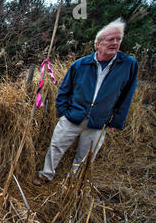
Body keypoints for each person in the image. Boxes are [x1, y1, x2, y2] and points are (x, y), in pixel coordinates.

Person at [33, 18, 139, 186]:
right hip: (73, 116)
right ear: (98, 44)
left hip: (98, 121)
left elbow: (127, 94)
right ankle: (46, 175)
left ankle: (72, 183)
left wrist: (116, 120)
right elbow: (64, 90)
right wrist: (63, 112)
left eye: (118, 39)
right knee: (56, 146)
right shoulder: (80, 65)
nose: (115, 43)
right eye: (110, 39)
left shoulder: (128, 65)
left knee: (85, 156)